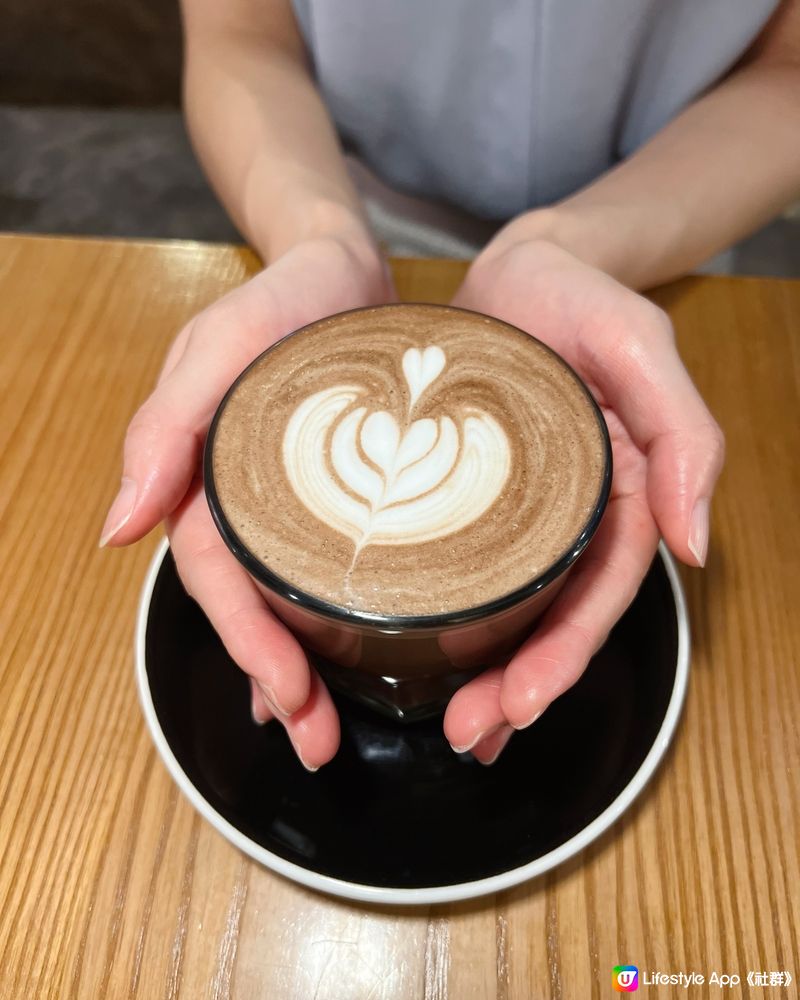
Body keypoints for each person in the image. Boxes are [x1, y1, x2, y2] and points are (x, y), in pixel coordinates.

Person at [101, 0, 800, 770]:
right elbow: (240, 32)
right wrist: (320, 238)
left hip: (661, 230)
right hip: (340, 194)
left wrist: (570, 246)